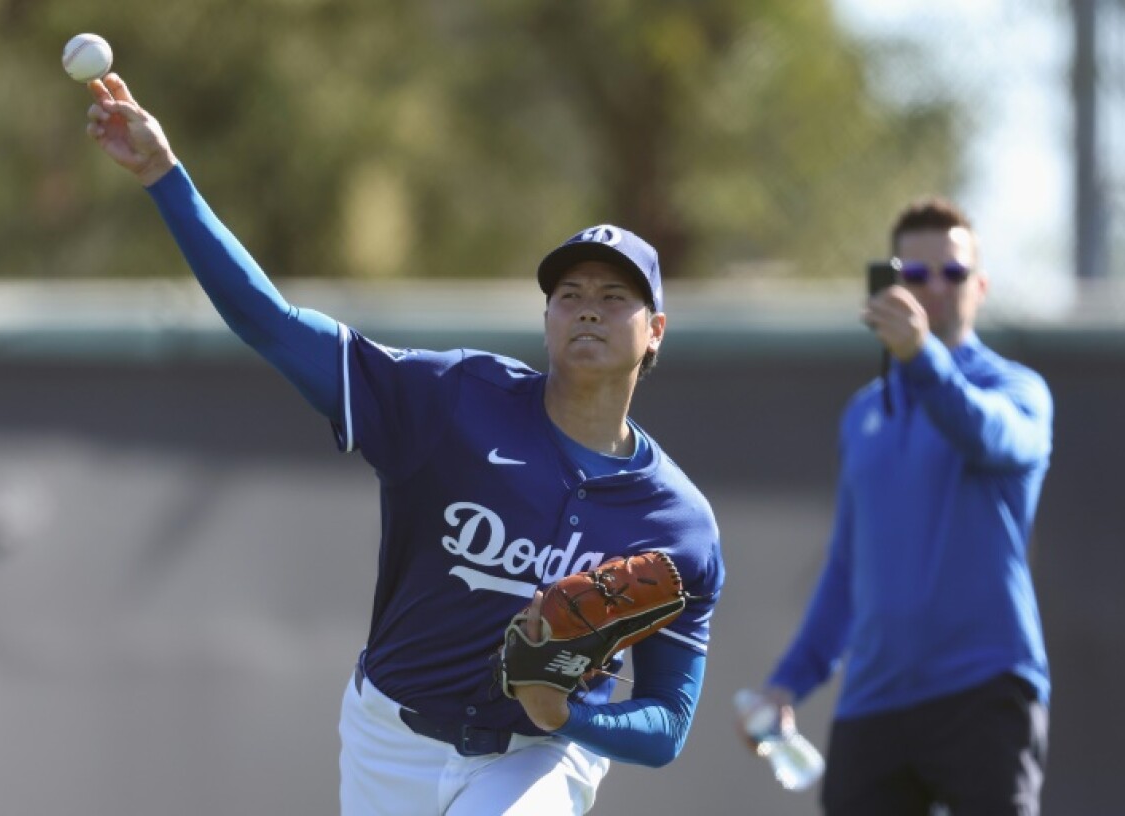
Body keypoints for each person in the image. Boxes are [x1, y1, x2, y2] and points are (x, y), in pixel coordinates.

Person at [81, 73, 725, 815]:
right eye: (570, 295)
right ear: (546, 318)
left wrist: (568, 718)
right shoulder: (450, 401)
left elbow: (668, 723)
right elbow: (272, 324)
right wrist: (165, 175)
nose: (588, 311)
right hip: (391, 741)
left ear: (656, 333)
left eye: (615, 298)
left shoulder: (679, 525)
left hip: (540, 758)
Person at [742, 197, 1052, 814]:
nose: (935, 287)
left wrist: (921, 359)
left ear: (980, 285)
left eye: (953, 272)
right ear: (890, 285)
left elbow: (987, 434)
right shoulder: (863, 413)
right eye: (915, 274)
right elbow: (849, 569)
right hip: (876, 703)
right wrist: (788, 683)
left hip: (984, 689)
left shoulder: (1017, 389)